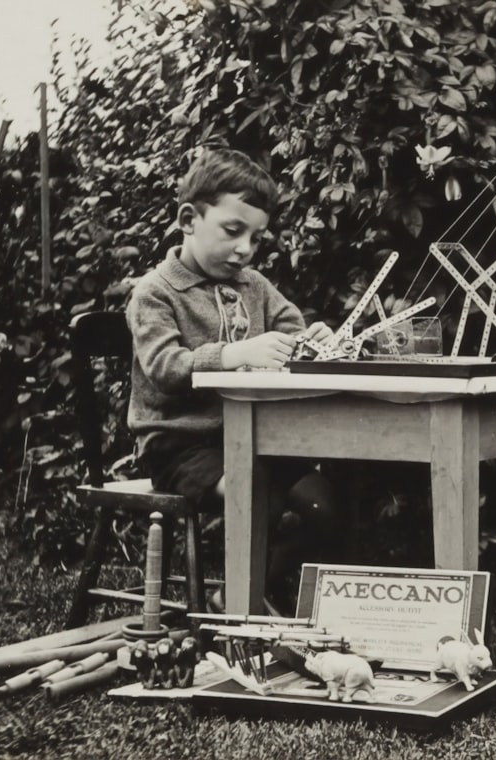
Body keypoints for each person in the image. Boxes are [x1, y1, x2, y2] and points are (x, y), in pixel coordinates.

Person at [126, 147, 341, 611]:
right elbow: (164, 369)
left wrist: (313, 341)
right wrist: (234, 353)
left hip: (250, 438)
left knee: (323, 501)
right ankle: (248, 594)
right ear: (188, 219)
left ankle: (242, 591)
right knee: (258, 489)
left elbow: (292, 332)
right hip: (179, 445)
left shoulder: (254, 285)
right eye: (232, 231)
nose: (244, 249)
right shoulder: (155, 293)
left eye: (256, 238)